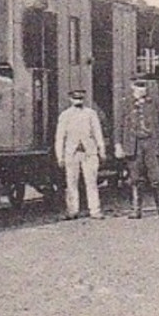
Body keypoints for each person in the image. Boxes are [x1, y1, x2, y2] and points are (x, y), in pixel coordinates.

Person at [117, 77, 159, 218]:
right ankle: (136, 209)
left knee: (157, 177)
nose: (142, 89)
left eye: (144, 86)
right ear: (132, 87)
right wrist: (118, 145)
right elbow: (119, 126)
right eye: (138, 86)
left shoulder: (155, 103)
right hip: (134, 145)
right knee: (136, 178)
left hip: (152, 144)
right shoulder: (125, 104)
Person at [53, 88, 106, 220]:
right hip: (72, 153)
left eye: (80, 99)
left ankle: (95, 210)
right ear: (70, 100)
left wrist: (101, 149)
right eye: (76, 99)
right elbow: (60, 137)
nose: (78, 101)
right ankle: (72, 210)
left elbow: (97, 133)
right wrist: (60, 156)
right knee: (71, 183)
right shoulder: (65, 115)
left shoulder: (91, 114)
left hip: (89, 151)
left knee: (91, 182)